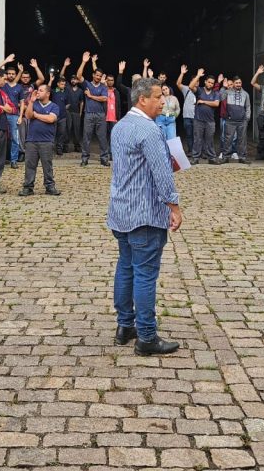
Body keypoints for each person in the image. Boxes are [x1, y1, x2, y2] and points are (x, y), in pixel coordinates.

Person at [107, 77, 184, 356]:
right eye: (157, 97)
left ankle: (125, 325)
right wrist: (174, 207)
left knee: (126, 267)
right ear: (142, 99)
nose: (162, 101)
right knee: (144, 274)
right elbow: (162, 174)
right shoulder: (149, 130)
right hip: (144, 213)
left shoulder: (120, 126)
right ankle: (147, 337)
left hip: (121, 210)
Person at [19, 83, 61, 196]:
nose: (38, 92)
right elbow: (28, 116)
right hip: (31, 140)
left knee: (47, 166)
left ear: (48, 94)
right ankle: (28, 187)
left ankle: (50, 186)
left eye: (41, 90)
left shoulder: (54, 106)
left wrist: (36, 115)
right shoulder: (34, 104)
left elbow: (51, 119)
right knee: (29, 165)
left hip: (46, 141)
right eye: (38, 90)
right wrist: (31, 102)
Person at [77, 52, 110, 166]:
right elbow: (79, 76)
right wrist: (84, 62)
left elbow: (104, 98)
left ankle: (104, 158)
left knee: (102, 138)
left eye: (100, 76)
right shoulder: (87, 84)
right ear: (93, 75)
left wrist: (91, 96)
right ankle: (85, 158)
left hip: (101, 114)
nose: (98, 77)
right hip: (89, 114)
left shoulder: (103, 86)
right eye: (97, 75)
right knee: (86, 137)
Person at [187, 69, 221, 164]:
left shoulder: (215, 93)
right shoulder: (199, 90)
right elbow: (190, 86)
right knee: (197, 139)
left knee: (210, 140)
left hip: (210, 121)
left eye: (212, 83)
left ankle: (211, 158)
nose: (210, 84)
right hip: (198, 120)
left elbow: (216, 104)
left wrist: (203, 101)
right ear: (205, 82)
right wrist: (198, 75)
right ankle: (195, 158)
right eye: (209, 82)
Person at [223, 77, 250, 163]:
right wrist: (223, 87)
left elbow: (248, 107)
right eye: (236, 83)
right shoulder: (227, 92)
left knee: (242, 140)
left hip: (242, 121)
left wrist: (247, 118)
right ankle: (225, 157)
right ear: (233, 83)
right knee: (228, 139)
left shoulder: (245, 94)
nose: (238, 84)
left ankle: (242, 158)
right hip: (230, 120)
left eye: (239, 83)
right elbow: (220, 98)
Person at [176, 65, 198, 156]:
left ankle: (197, 151)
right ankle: (190, 150)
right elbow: (178, 83)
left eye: (197, 81)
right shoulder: (186, 89)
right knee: (189, 135)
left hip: (197, 117)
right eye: (194, 81)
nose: (196, 83)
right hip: (187, 116)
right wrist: (182, 73)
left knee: (197, 135)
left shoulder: (200, 90)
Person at [67, 73, 84, 153]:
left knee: (77, 130)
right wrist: (65, 66)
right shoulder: (67, 88)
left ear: (78, 81)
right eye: (72, 79)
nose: (73, 81)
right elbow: (61, 76)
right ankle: (65, 146)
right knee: (67, 129)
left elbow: (81, 102)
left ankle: (77, 146)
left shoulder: (80, 91)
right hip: (68, 112)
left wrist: (80, 113)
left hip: (76, 112)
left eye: (75, 79)